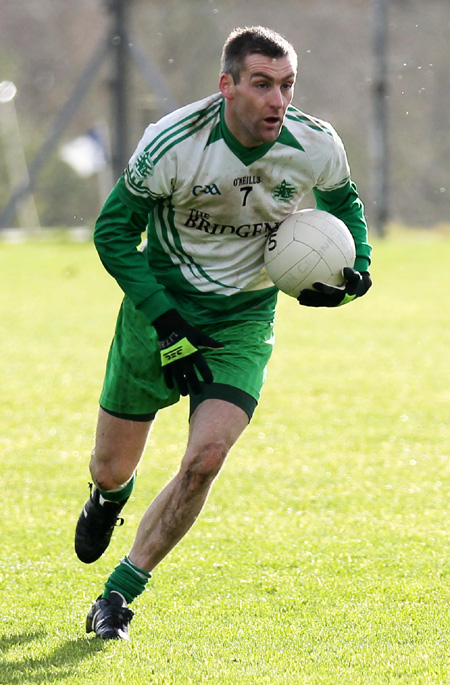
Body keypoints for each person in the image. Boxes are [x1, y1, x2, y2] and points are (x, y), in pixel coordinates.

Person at [75, 25, 372, 640]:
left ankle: (119, 595)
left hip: (243, 317)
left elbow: (345, 206)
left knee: (206, 458)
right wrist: (167, 322)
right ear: (227, 85)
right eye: (262, 85)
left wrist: (357, 265)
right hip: (159, 312)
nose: (277, 101)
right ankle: (107, 497)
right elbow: (111, 235)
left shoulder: (314, 143)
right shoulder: (174, 144)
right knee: (109, 468)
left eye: (287, 86)